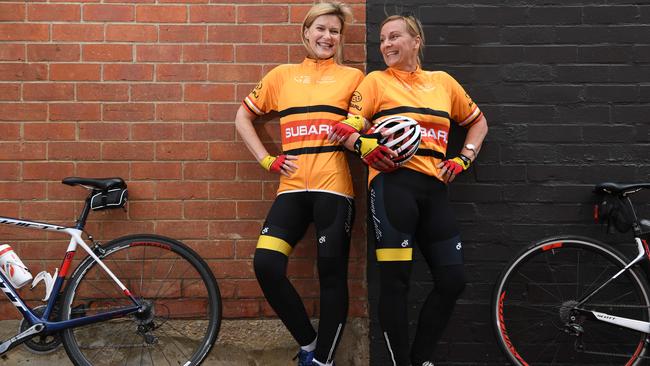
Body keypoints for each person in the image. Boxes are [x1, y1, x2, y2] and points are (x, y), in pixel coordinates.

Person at [329, 14, 489, 366]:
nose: (386, 44)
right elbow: (345, 129)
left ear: (416, 41)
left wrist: (464, 159)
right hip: (392, 189)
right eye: (382, 39)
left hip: (434, 191)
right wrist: (364, 146)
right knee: (396, 284)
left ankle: (418, 360)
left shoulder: (443, 82)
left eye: (394, 36)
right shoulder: (375, 83)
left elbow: (477, 121)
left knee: (452, 280)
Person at [234, 2, 363, 366]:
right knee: (266, 265)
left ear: (340, 39)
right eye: (321, 29)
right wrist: (266, 159)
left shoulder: (354, 79)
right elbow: (243, 116)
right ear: (306, 32)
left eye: (335, 31)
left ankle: (322, 361)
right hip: (291, 189)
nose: (327, 37)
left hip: (334, 190)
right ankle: (308, 343)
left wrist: (355, 130)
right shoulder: (281, 76)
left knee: (331, 275)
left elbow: (362, 124)